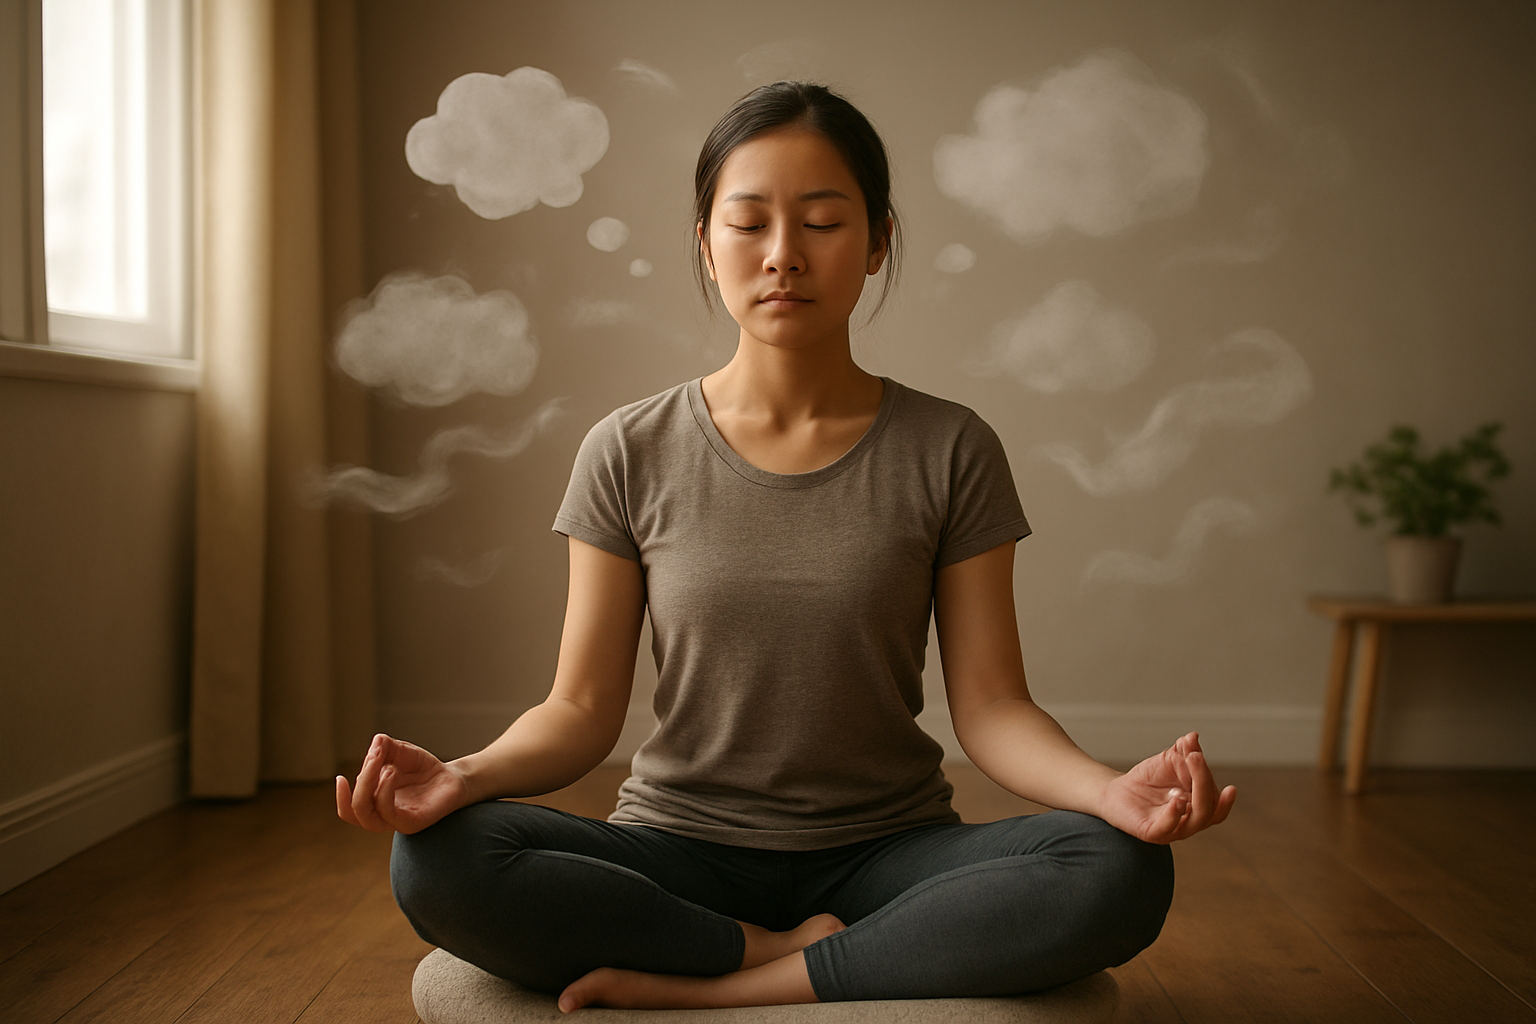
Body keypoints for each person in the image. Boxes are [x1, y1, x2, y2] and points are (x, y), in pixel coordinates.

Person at [337, 81, 1236, 1013]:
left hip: (888, 854)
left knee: (1119, 867)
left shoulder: (952, 447)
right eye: (748, 223)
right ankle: (767, 948)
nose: (782, 257)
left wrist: (1111, 791)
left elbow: (995, 706)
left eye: (821, 222)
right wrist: (463, 775)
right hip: (677, 850)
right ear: (705, 242)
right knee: (439, 857)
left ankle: (734, 983)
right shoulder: (628, 448)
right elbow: (580, 707)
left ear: (878, 240)